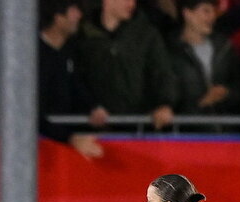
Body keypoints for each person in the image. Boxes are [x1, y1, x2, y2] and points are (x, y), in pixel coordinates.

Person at [75, 0, 176, 129]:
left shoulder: (147, 34)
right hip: (92, 128)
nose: (131, 4)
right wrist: (90, 106)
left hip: (138, 129)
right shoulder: (83, 34)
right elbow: (76, 78)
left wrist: (165, 103)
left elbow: (163, 73)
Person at [38, 0, 106, 159]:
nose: (79, 15)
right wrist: (70, 138)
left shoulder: (71, 50)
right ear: (58, 17)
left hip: (61, 144)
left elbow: (76, 84)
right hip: (41, 149)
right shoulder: (32, 54)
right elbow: (32, 113)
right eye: (74, 10)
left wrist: (93, 107)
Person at [168, 0, 240, 115]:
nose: (212, 16)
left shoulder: (224, 47)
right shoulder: (170, 51)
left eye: (213, 11)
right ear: (187, 13)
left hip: (225, 129)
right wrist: (199, 105)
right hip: (188, 129)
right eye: (206, 11)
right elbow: (166, 94)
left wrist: (227, 93)